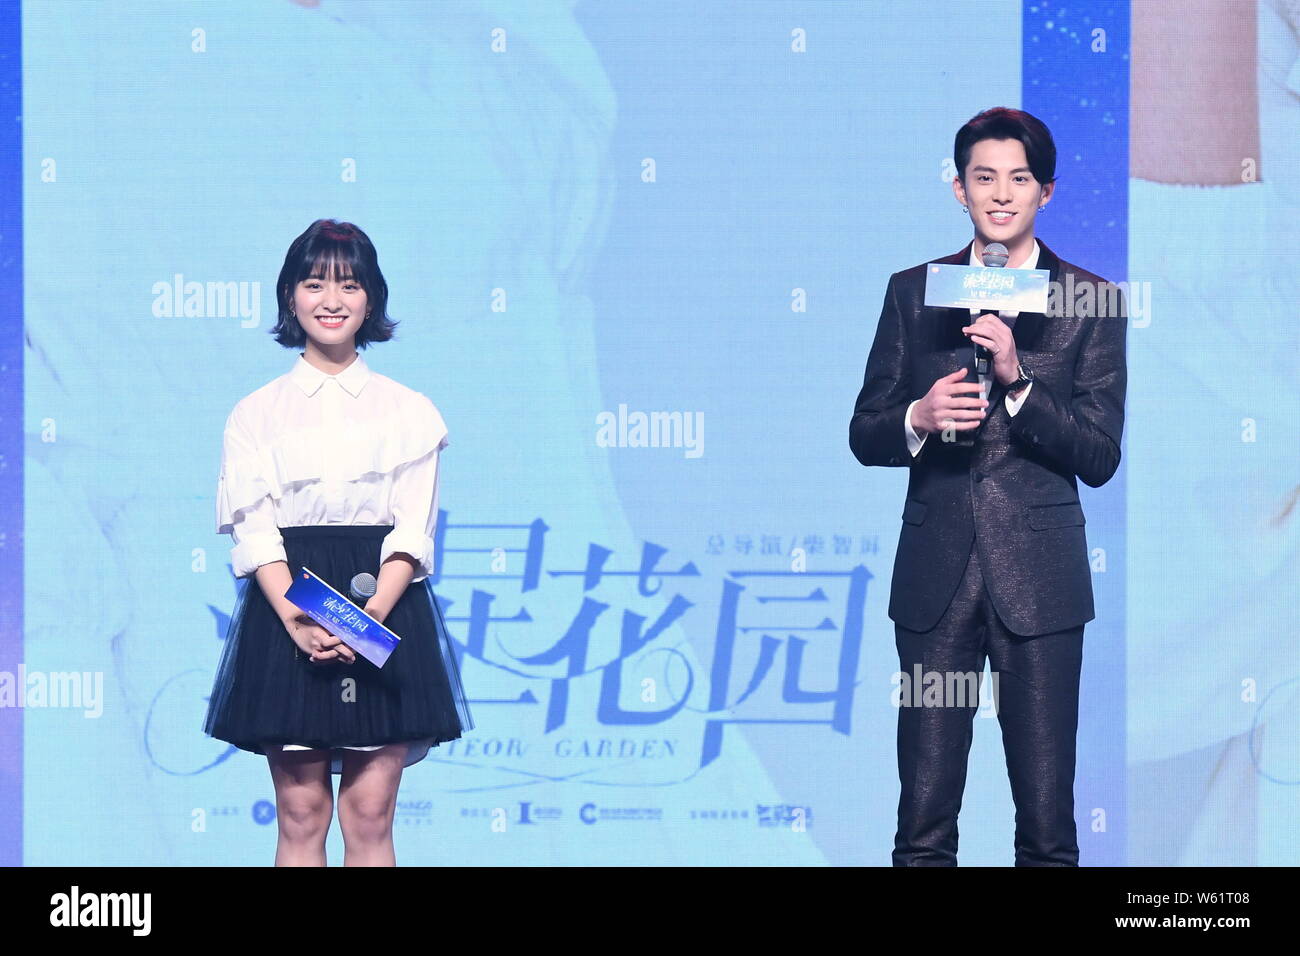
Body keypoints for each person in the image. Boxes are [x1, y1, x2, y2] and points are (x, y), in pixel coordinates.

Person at [849, 108, 1127, 865]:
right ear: (959, 190)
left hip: (1041, 583)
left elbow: (1100, 454)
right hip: (935, 584)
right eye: (983, 178)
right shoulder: (915, 293)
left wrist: (1018, 383)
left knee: (1045, 825)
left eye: (1019, 179)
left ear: (1047, 191)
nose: (1001, 194)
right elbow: (864, 431)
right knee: (924, 825)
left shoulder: (1090, 300)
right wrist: (917, 414)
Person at [202, 219, 474, 866]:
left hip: (384, 599)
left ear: (371, 299)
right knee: (300, 814)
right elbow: (254, 527)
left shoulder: (409, 410)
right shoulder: (255, 413)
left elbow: (414, 524)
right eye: (315, 282)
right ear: (290, 297)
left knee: (370, 814)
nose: (332, 298)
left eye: (349, 284)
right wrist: (300, 618)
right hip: (289, 602)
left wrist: (369, 614)